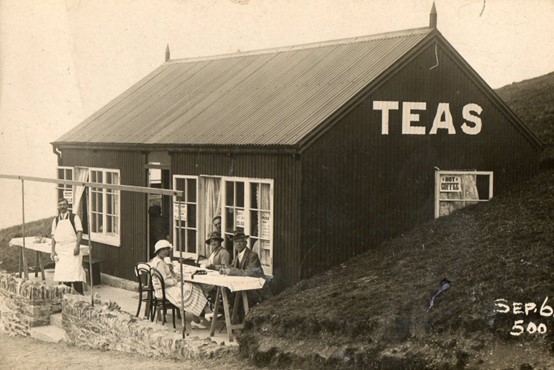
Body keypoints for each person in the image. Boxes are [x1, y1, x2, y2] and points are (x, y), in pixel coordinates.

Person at [150, 240, 208, 329]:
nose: (166, 252)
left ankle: (199, 316)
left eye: (167, 249)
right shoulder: (160, 263)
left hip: (165, 287)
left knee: (193, 286)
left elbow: (166, 277)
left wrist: (172, 272)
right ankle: (202, 314)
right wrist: (176, 281)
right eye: (163, 250)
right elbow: (165, 281)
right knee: (191, 288)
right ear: (158, 251)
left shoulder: (157, 260)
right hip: (164, 290)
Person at [221, 229, 271, 305]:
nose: (238, 244)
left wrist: (231, 271)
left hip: (257, 290)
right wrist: (219, 268)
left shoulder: (252, 255)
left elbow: (250, 272)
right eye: (236, 242)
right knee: (225, 290)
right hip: (245, 288)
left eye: (240, 241)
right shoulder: (238, 255)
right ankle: (229, 310)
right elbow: (230, 266)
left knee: (234, 294)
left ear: (246, 242)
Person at [50, 198, 86, 295]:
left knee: (75, 275)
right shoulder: (56, 220)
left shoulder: (74, 217)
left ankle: (80, 297)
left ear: (67, 206)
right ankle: (67, 298)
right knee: (64, 276)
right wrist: (53, 251)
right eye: (60, 205)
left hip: (72, 249)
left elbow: (79, 231)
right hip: (61, 251)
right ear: (58, 207)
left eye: (64, 204)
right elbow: (53, 236)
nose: (62, 207)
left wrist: (77, 246)